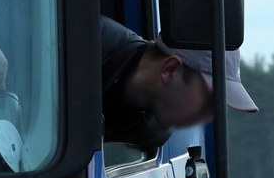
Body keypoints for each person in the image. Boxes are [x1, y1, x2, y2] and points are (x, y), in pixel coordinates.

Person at [100, 16, 258, 149]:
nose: (209, 116)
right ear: (171, 70)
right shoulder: (84, 42)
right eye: (206, 102)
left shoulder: (152, 132)